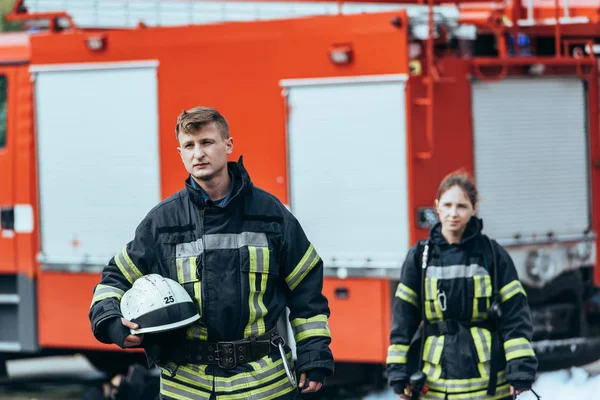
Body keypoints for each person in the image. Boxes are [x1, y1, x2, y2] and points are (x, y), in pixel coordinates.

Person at [89, 106, 334, 399]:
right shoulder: (163, 222)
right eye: (189, 146)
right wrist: (112, 323)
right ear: (180, 152)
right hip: (187, 388)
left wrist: (314, 353)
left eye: (207, 142)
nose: (198, 154)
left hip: (264, 386)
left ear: (228, 145)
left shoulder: (271, 216)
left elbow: (306, 288)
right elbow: (114, 279)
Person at [386, 171, 538, 399]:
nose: (453, 213)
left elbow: (515, 315)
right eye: (447, 205)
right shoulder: (420, 257)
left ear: (474, 208)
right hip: (435, 386)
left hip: (489, 385)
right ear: (437, 207)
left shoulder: (493, 255)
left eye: (461, 206)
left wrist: (520, 369)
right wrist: (398, 372)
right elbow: (403, 320)